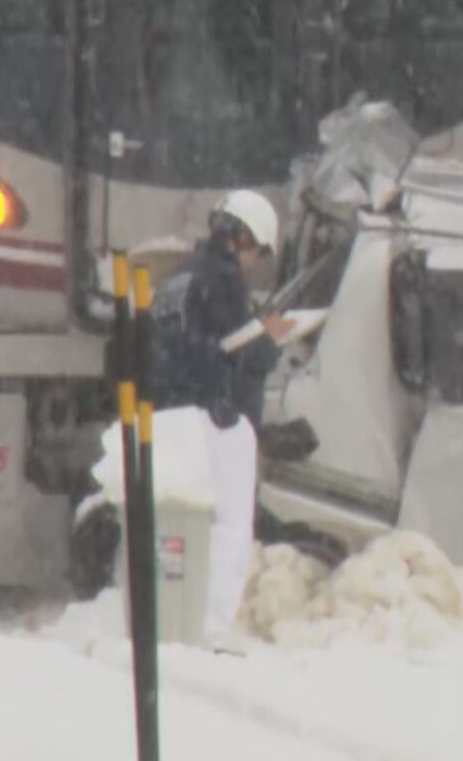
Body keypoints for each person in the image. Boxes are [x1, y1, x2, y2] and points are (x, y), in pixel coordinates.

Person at [151, 189, 295, 653]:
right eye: (257, 250)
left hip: (175, 413)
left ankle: (175, 614)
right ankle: (211, 626)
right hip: (218, 416)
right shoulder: (224, 279)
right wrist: (271, 338)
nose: (254, 262)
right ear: (242, 236)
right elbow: (238, 354)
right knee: (229, 526)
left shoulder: (180, 276)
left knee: (182, 522)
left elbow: (187, 347)